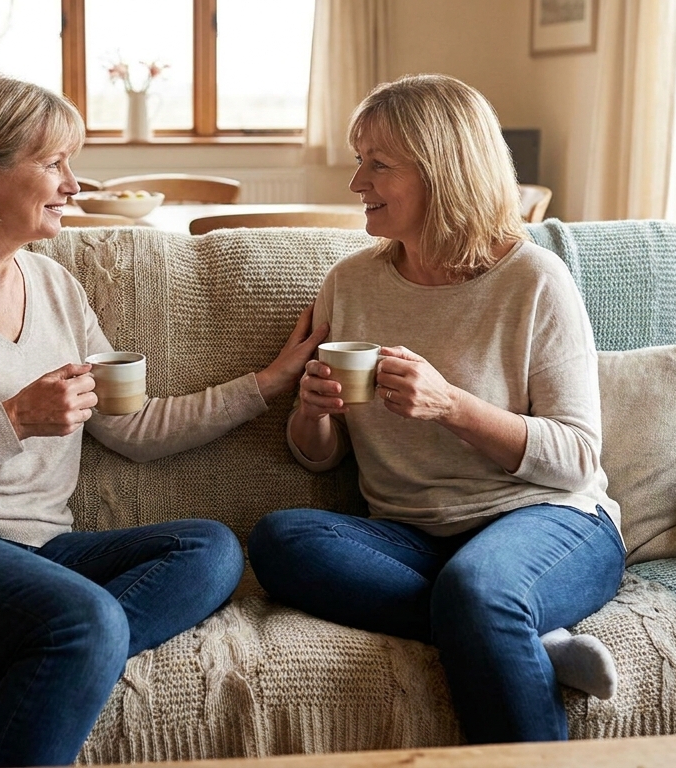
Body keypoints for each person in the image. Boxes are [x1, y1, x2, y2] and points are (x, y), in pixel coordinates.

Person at [0, 71, 326, 768]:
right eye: (54, 163)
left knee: (210, 552)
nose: (73, 184)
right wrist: (15, 418)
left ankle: (6, 678)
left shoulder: (54, 286)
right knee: (85, 620)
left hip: (31, 550)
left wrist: (266, 385)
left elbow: (133, 429)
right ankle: (66, 649)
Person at [246, 74, 626, 744]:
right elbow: (318, 456)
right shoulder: (352, 283)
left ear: (444, 171)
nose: (357, 182)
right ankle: (521, 637)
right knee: (281, 542)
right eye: (359, 159)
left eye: (378, 164)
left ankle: (496, 623)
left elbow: (575, 458)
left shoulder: (534, 281)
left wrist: (451, 404)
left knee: (481, 589)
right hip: (413, 534)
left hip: (548, 519)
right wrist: (314, 410)